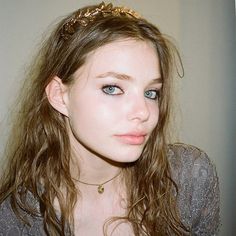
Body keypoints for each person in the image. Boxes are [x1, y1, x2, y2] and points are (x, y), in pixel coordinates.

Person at [0, 2, 220, 235]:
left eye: (151, 92)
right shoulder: (15, 221)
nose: (143, 112)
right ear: (59, 95)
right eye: (112, 88)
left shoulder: (190, 179)